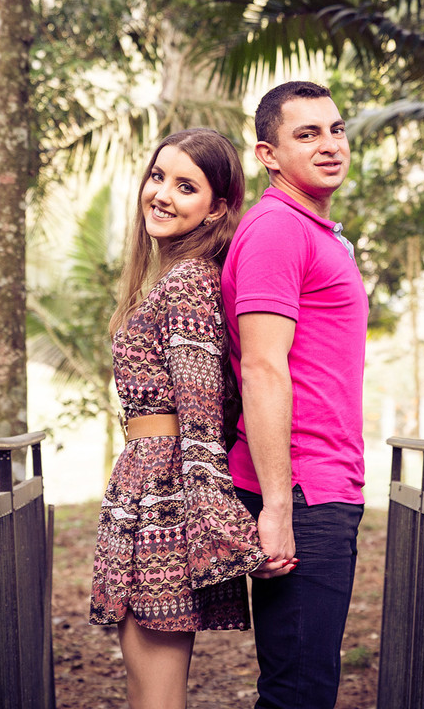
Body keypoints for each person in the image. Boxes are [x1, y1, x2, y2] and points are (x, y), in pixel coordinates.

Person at [90, 127, 267, 709]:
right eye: (158, 176)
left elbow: (200, 416)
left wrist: (222, 526)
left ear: (216, 209)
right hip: (143, 488)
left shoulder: (189, 281)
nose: (161, 194)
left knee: (158, 694)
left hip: (165, 499)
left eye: (185, 186)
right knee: (146, 688)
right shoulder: (164, 278)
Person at [220, 81, 369, 709]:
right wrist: (278, 507)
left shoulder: (317, 230)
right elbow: (261, 367)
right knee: (299, 693)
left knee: (303, 687)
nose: (330, 145)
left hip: (322, 482)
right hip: (304, 489)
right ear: (268, 154)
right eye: (306, 134)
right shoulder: (279, 229)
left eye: (335, 129)